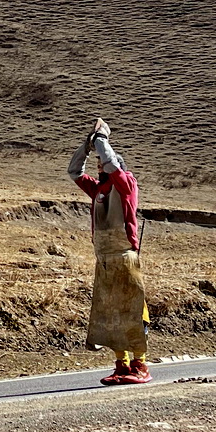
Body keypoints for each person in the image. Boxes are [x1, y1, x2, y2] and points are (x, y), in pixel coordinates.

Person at [67, 118, 151, 385]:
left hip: (124, 254)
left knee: (131, 310)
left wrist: (101, 139)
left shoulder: (126, 184)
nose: (100, 164)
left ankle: (140, 364)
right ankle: (121, 365)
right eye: (98, 162)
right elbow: (74, 171)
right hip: (103, 258)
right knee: (109, 312)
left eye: (103, 161)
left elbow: (113, 163)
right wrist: (86, 145)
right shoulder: (99, 190)